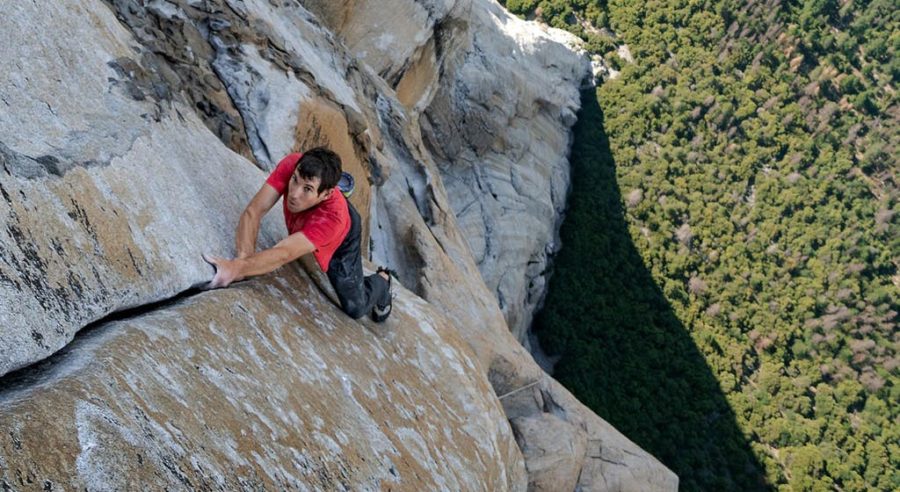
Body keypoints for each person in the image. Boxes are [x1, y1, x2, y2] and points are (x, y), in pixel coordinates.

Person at [203, 147, 393, 322]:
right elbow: (254, 211)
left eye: (307, 189)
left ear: (326, 194)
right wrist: (242, 263)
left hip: (344, 232)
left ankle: (383, 282)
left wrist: (238, 268)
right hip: (323, 205)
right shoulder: (294, 165)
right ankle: (326, 186)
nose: (293, 193)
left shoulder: (333, 220)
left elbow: (284, 253)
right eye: (294, 180)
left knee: (356, 307)